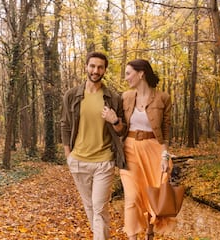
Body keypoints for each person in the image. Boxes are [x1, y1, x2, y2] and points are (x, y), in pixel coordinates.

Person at [60, 51, 126, 240]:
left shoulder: (113, 98)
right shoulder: (72, 95)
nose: (95, 70)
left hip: (103, 162)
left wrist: (114, 120)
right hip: (78, 161)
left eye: (100, 67)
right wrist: (68, 155)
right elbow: (64, 124)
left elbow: (122, 130)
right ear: (86, 67)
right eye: (92, 66)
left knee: (99, 207)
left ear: (105, 70)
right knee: (90, 207)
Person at [120, 59, 174, 240]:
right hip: (129, 149)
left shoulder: (163, 98)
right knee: (132, 196)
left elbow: (166, 132)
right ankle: (132, 237)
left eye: (128, 73)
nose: (126, 77)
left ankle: (150, 232)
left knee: (153, 193)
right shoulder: (125, 97)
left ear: (141, 73)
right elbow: (119, 127)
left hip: (154, 149)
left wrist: (165, 156)